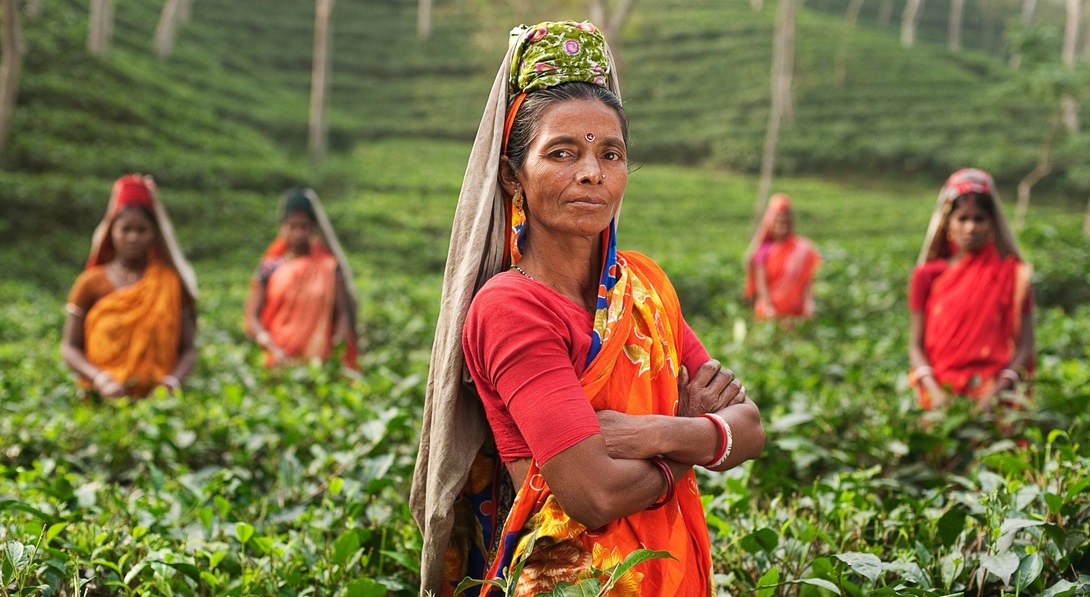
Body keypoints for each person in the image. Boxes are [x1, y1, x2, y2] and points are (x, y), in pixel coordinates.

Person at [410, 21, 765, 597]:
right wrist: (694, 443)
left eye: (611, 153)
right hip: (573, 581)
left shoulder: (644, 283)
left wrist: (648, 431)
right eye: (562, 152)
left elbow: (750, 428)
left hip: (665, 567)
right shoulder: (511, 307)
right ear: (511, 175)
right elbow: (592, 495)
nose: (591, 172)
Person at [908, 168, 1035, 411]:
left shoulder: (1013, 275)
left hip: (994, 395)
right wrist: (935, 393)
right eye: (963, 218)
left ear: (992, 225)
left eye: (979, 219)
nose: (970, 227)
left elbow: (1025, 346)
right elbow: (916, 345)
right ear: (948, 223)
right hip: (939, 395)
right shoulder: (927, 276)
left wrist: (995, 395)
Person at [61, 174, 198, 398]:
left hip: (158, 404)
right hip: (100, 398)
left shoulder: (170, 282)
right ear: (111, 231)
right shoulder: (90, 283)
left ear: (154, 234)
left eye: (141, 230)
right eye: (125, 229)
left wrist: (171, 383)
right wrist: (101, 380)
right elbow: (70, 347)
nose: (133, 237)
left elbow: (189, 349)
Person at [244, 187, 360, 370]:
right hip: (275, 356)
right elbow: (253, 316)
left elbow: (342, 312)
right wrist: (269, 345)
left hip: (319, 361)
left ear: (312, 228)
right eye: (292, 227)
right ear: (283, 228)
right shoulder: (270, 267)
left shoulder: (328, 266)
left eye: (304, 227)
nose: (298, 233)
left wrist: (337, 349)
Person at [743, 193, 821, 321]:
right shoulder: (763, 250)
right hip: (770, 311)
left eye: (784, 222)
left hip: (796, 311)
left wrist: (809, 303)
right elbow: (761, 283)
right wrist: (768, 307)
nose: (781, 227)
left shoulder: (802, 249)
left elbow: (807, 281)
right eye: (778, 222)